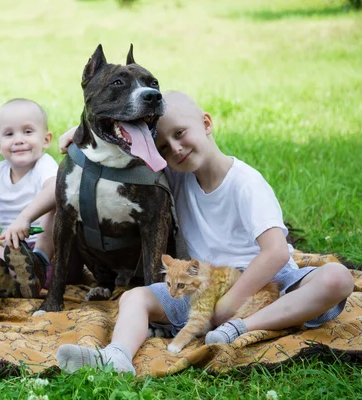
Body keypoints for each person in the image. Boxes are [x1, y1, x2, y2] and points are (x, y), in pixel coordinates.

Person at [55, 91, 354, 374]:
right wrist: (80, 132)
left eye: (180, 134)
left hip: (272, 283)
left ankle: (241, 326)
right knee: (134, 298)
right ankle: (117, 356)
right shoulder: (176, 175)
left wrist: (227, 306)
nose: (176, 148)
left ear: (206, 123)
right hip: (204, 288)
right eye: (163, 148)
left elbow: (275, 252)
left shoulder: (246, 183)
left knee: (337, 277)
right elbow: (117, 155)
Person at [0, 98, 58, 298]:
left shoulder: (45, 165)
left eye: (28, 131)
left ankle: (36, 268)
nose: (19, 139)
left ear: (46, 140)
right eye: (9, 134)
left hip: (45, 251)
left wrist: (24, 218)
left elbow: (55, 189)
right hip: (9, 253)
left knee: (54, 205)